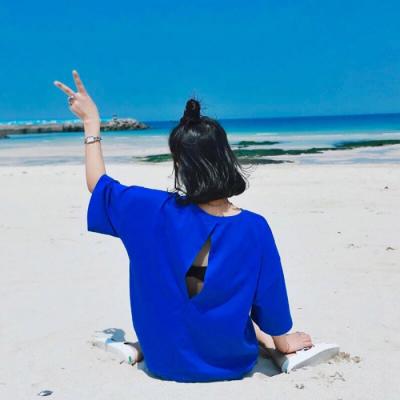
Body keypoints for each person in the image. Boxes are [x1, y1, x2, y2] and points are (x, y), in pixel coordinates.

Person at [53, 71, 332, 383]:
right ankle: (267, 344)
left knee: (188, 287)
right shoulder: (254, 228)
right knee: (220, 299)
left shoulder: (152, 209)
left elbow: (98, 184)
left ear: (180, 167)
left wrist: (91, 122)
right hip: (231, 363)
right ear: (227, 158)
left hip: (164, 359)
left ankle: (141, 346)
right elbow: (271, 304)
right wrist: (282, 342)